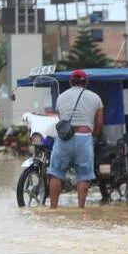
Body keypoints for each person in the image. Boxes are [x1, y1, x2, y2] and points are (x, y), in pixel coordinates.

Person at [48, 70, 104, 209]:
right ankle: (81, 209)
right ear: (86, 82)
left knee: (55, 173)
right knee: (83, 176)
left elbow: (61, 120)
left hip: (64, 140)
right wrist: (94, 135)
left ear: (70, 82)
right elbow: (99, 122)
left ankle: (53, 208)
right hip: (84, 139)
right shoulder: (96, 98)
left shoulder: (61, 97)